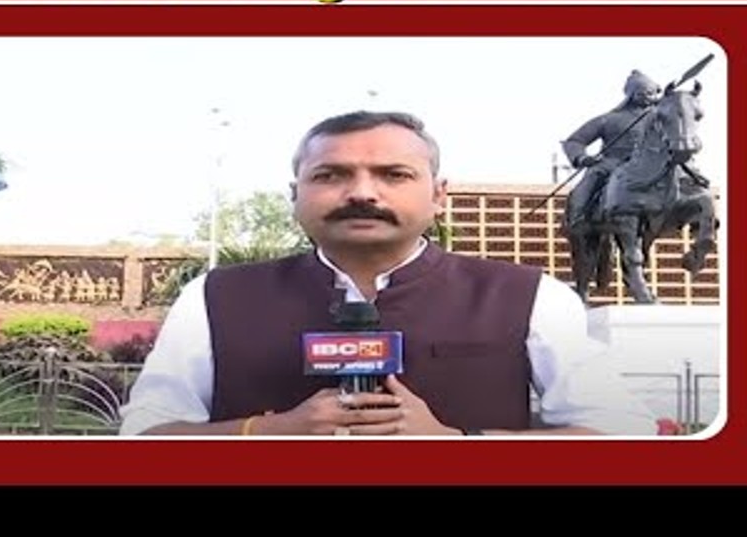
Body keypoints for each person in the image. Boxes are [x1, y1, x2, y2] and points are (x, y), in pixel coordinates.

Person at [119, 110, 659, 437]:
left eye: (393, 174)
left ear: (439, 196)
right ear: (294, 195)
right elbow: (144, 435)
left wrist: (459, 443)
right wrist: (265, 432)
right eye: (331, 175)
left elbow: (623, 433)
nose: (362, 192)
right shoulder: (217, 297)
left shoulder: (529, 296)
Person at [560, 69, 663, 228]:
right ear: (632, 95)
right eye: (644, 93)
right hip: (613, 162)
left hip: (648, 165)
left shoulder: (660, 120)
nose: (648, 97)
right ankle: (577, 217)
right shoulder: (608, 119)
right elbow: (575, 141)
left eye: (651, 93)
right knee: (590, 180)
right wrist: (582, 157)